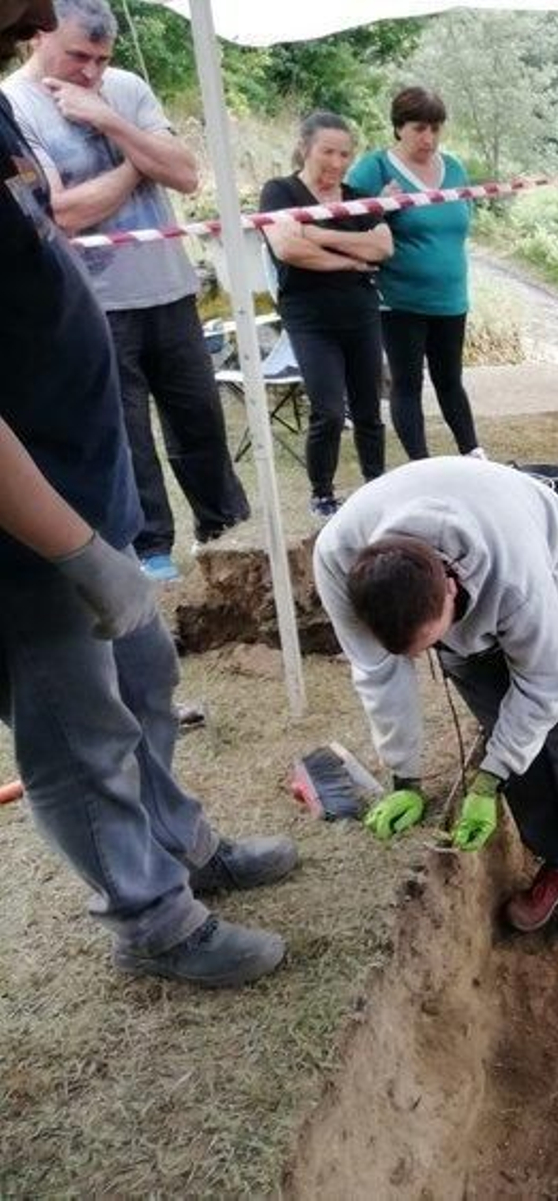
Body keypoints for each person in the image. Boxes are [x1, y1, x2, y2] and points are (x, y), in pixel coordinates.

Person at [0, 0, 295, 989]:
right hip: (25, 529)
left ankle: (179, 846)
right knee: (76, 731)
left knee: (142, 683)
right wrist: (72, 549)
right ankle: (152, 919)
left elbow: (41, 218)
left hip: (84, 477)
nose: (31, 21)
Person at [313, 458, 558, 963]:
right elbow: (377, 672)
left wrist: (488, 781)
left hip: (544, 557)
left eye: (433, 643)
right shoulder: (336, 557)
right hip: (466, 591)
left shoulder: (518, 577)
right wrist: (405, 777)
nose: (424, 659)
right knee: (509, 748)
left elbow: (545, 681)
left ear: (449, 587)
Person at [3, 0, 247, 583]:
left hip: (168, 286)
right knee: (129, 435)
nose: (91, 72)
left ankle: (229, 533)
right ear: (41, 38)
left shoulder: (125, 88)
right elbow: (63, 210)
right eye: (78, 57)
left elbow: (186, 174)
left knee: (200, 421)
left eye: (101, 59)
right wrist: (141, 162)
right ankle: (150, 549)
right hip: (98, 301)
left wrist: (110, 121)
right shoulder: (15, 102)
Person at [260, 111, 392, 518]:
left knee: (369, 408)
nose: (337, 162)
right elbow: (287, 249)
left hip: (361, 312)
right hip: (309, 316)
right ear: (305, 148)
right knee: (329, 410)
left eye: (345, 154)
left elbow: (383, 248)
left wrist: (317, 233)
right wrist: (350, 260)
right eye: (328, 152)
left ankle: (377, 486)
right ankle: (322, 493)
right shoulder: (279, 191)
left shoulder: (357, 197)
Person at [346, 86, 484, 463]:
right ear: (399, 127)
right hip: (399, 299)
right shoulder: (373, 168)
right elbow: (349, 226)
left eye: (436, 129)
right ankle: (420, 463)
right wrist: (382, 209)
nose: (429, 138)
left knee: (450, 379)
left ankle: (473, 452)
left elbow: (460, 222)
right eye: (420, 128)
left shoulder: (454, 168)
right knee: (407, 383)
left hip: (451, 297)